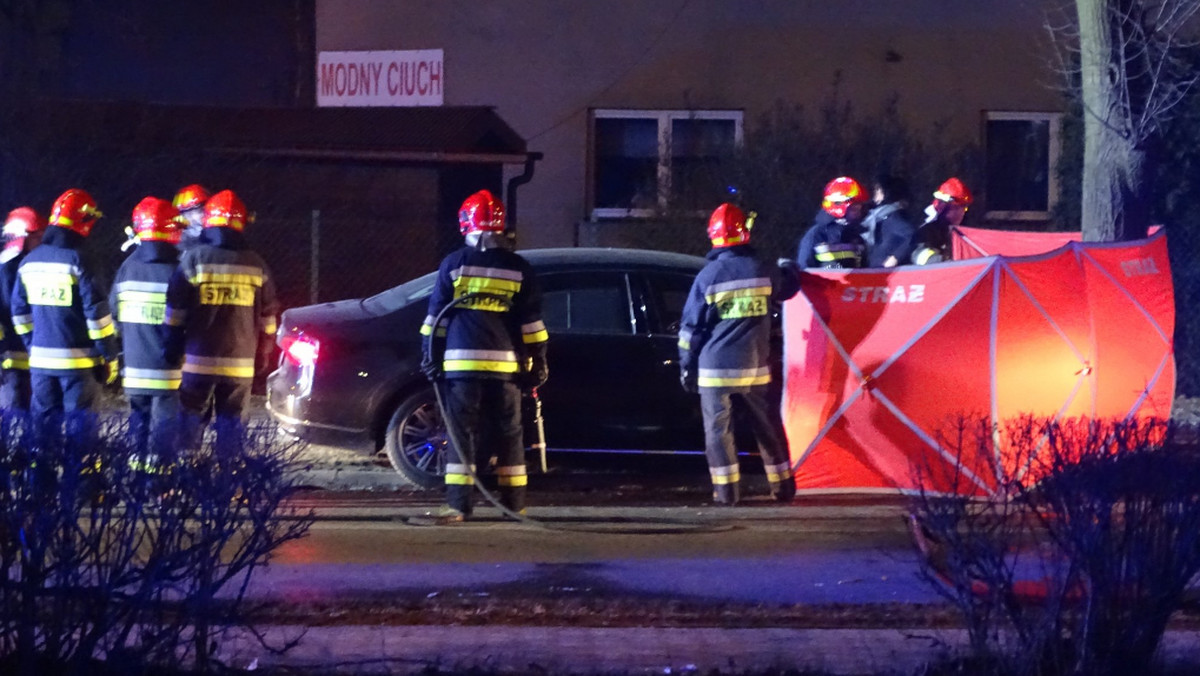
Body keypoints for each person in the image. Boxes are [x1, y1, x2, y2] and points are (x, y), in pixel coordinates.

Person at [420, 189, 547, 524]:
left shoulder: (454, 264)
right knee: (510, 433)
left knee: (462, 435)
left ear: (466, 224)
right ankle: (514, 505)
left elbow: (435, 321)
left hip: (461, 367)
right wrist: (539, 361)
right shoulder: (518, 268)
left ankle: (459, 507)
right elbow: (531, 323)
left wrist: (429, 358)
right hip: (505, 368)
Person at [678, 203, 799, 506]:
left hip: (714, 370)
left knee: (719, 432)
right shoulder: (764, 269)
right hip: (756, 366)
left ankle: (726, 493)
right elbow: (789, 288)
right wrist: (790, 268)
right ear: (744, 234)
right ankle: (783, 487)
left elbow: (690, 330)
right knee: (768, 426)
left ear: (714, 237)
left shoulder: (709, 276)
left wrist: (685, 367)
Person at [164, 189, 279, 441]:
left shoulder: (194, 259)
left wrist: (172, 346)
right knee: (232, 424)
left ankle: (187, 471)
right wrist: (264, 353)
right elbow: (269, 317)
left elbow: (175, 309)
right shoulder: (256, 263)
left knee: (190, 420)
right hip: (240, 363)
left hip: (197, 360)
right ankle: (229, 473)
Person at [10, 189, 117, 423]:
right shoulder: (82, 260)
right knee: (80, 430)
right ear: (85, 221)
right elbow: (97, 314)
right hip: (79, 365)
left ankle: (41, 461)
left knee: (44, 430)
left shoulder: (29, 262)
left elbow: (19, 313)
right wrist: (109, 354)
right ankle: (80, 461)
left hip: (40, 364)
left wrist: (33, 344)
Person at [111, 197, 184, 460]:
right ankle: (160, 486)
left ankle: (136, 482)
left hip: (133, 369)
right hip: (168, 372)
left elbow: (114, 315)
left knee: (137, 432)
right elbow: (189, 320)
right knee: (164, 434)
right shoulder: (179, 271)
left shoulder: (126, 268)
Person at [0, 207, 46, 411]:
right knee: (15, 411)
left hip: (25, 353)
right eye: (36, 237)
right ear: (21, 237)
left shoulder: (19, 264)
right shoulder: (9, 268)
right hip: (11, 354)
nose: (41, 243)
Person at [795, 176, 869, 269]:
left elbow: (863, 269)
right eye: (854, 207)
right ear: (838, 205)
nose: (858, 211)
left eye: (859, 206)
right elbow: (804, 270)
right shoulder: (816, 235)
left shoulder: (856, 236)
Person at [911, 177, 972, 265]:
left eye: (964, 208)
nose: (961, 213)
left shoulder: (960, 231)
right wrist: (945, 261)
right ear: (943, 207)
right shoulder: (927, 231)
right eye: (956, 208)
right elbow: (919, 256)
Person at [861, 175, 916, 268]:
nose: (875, 193)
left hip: (888, 273)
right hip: (874, 272)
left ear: (888, 193)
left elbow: (912, 236)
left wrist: (895, 258)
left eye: (878, 190)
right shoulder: (876, 216)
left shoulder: (893, 217)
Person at [172, 184, 210, 252]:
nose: (191, 219)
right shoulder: (180, 244)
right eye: (186, 214)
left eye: (197, 211)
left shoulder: (221, 235)